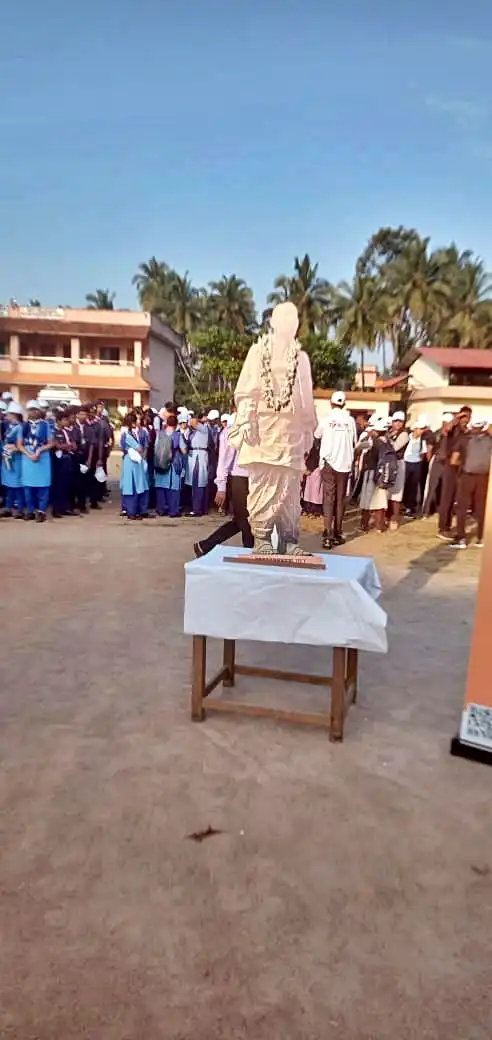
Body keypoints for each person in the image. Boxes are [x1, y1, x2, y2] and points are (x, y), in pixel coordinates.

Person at [229, 301, 317, 555]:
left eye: (295, 319)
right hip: (263, 431)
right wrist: (246, 418)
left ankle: (289, 541)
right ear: (273, 322)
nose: (291, 323)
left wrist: (308, 428)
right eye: (285, 318)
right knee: (263, 486)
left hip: (290, 434)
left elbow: (306, 396)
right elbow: (245, 390)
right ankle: (262, 538)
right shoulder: (257, 353)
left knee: (290, 490)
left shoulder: (301, 358)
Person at [194, 414, 254, 557]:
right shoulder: (231, 432)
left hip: (254, 479)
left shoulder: (258, 428)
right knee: (245, 521)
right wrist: (221, 487)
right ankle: (249, 552)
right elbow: (223, 461)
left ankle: (205, 545)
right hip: (238, 478)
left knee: (241, 520)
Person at [315, 391, 357, 549]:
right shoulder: (350, 420)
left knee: (328, 499)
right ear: (344, 403)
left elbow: (317, 435)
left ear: (331, 403)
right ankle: (338, 533)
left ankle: (327, 534)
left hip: (329, 464)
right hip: (344, 464)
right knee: (340, 500)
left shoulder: (326, 419)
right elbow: (354, 441)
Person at [449, 419, 492, 549]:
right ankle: (481, 538)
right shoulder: (489, 440)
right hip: (484, 477)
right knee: (482, 507)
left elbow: (453, 460)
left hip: (467, 476)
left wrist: (462, 464)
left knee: (462, 507)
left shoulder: (464, 439)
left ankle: (461, 539)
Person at [438, 406, 471, 539]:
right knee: (447, 497)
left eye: (467, 417)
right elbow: (445, 430)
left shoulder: (467, 431)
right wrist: (457, 417)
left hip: (461, 466)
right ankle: (442, 528)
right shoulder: (453, 428)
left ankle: (449, 526)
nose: (465, 419)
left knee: (455, 499)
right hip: (449, 465)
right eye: (463, 417)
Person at [18, 399, 54, 522]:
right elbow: (19, 444)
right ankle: (30, 510)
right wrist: (29, 454)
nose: (33, 412)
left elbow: (51, 443)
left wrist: (39, 451)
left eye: (35, 410)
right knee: (28, 487)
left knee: (43, 486)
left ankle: (42, 511)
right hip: (28, 459)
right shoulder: (23, 426)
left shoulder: (46, 425)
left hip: (42, 458)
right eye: (30, 410)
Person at [357, 417, 390, 533]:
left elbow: (359, 446)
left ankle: (364, 525)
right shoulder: (387, 441)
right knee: (380, 502)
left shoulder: (373, 441)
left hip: (371, 473)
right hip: (382, 474)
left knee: (367, 500)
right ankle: (379, 527)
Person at [421, 413, 454, 518]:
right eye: (450, 423)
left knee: (445, 488)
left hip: (448, 463)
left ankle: (442, 510)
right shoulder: (436, 434)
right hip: (437, 461)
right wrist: (430, 461)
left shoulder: (453, 435)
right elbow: (429, 450)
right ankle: (426, 510)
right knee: (431, 487)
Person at [154, 415, 187, 517]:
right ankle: (173, 511)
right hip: (172, 465)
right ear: (176, 424)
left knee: (160, 487)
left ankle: (161, 509)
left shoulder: (159, 434)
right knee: (173, 488)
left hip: (160, 464)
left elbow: (155, 448)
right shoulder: (177, 435)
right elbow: (184, 451)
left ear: (167, 423)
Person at [120, 411, 150, 520]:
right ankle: (131, 511)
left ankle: (138, 510)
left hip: (137, 461)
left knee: (139, 485)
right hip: (131, 461)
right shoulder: (127, 434)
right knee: (131, 486)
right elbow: (139, 448)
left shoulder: (136, 432)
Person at [184, 414, 213, 516]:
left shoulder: (203, 428)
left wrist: (196, 420)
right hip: (193, 456)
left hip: (199, 457)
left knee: (199, 483)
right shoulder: (192, 432)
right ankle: (200, 508)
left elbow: (194, 422)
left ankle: (197, 509)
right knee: (196, 484)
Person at [1, 401, 24, 517]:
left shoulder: (20, 428)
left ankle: (19, 509)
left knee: (17, 485)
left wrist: (13, 448)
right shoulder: (10, 426)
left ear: (14, 414)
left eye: (8, 414)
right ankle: (8, 507)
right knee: (9, 485)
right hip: (8, 457)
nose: (6, 416)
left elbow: (21, 445)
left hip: (17, 459)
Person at [51, 410, 76, 517]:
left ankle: (65, 507)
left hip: (68, 459)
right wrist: (68, 445)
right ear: (59, 421)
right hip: (58, 461)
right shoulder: (54, 431)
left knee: (67, 484)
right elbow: (57, 445)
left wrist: (68, 445)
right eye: (64, 420)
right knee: (58, 485)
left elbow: (74, 445)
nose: (67, 422)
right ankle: (56, 509)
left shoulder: (66, 431)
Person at [387, 411, 409, 530]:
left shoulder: (404, 435)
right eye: (396, 421)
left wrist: (387, 438)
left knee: (396, 492)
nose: (398, 424)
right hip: (388, 463)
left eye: (400, 421)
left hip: (398, 463)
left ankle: (395, 518)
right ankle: (387, 516)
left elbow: (395, 448)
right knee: (388, 490)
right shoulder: (389, 432)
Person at [403, 421, 426, 518]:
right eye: (419, 429)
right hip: (406, 463)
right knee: (405, 485)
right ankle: (403, 505)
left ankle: (410, 507)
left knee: (413, 487)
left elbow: (423, 453)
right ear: (415, 429)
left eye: (422, 429)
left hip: (416, 464)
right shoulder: (407, 437)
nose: (421, 431)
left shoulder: (422, 441)